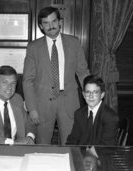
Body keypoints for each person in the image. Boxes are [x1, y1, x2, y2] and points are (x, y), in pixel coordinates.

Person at [23, 6, 90, 144]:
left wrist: (91, 97)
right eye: (46, 23)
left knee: (70, 143)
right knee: (42, 145)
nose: (51, 26)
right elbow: (27, 80)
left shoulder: (74, 43)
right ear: (41, 26)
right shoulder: (33, 47)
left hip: (69, 102)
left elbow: (83, 72)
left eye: (53, 21)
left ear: (60, 22)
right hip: (42, 105)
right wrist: (32, 108)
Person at [66, 75, 119, 145]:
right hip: (80, 154)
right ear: (83, 95)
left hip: (101, 155)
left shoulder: (110, 117)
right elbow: (72, 141)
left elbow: (107, 147)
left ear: (102, 95)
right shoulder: (79, 114)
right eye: (88, 92)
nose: (91, 96)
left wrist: (87, 155)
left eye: (95, 92)